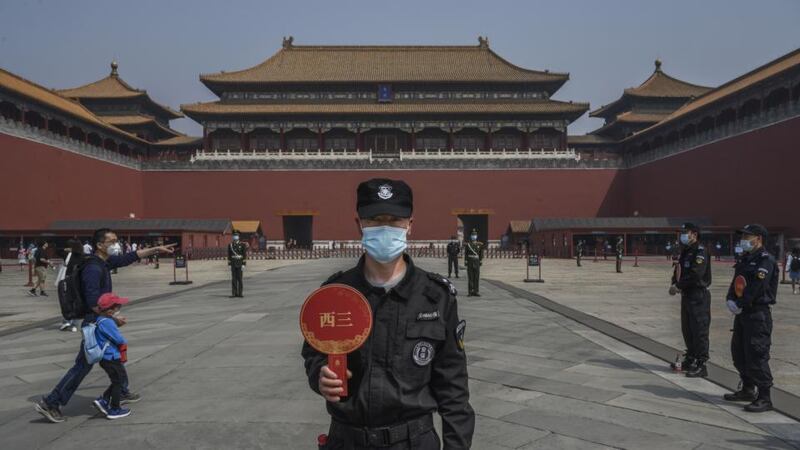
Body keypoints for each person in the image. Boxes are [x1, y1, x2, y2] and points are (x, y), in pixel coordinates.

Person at [301, 178, 474, 449]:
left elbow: (453, 387)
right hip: (348, 439)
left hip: (413, 440)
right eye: (375, 220)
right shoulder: (336, 293)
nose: (385, 228)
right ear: (359, 224)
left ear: (409, 225)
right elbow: (314, 351)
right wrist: (319, 375)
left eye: (394, 220)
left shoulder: (435, 297)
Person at [34, 228, 175, 423]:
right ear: (100, 245)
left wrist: (156, 249)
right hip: (96, 322)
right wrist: (113, 318)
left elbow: (128, 258)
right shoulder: (93, 268)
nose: (116, 244)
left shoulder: (102, 262)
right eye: (112, 241)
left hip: (100, 319)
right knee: (84, 366)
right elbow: (93, 301)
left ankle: (122, 390)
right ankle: (51, 402)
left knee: (108, 359)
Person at [723, 224, 778, 413]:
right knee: (739, 353)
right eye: (743, 236)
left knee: (756, 355)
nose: (744, 240)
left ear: (759, 239)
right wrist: (730, 299)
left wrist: (741, 304)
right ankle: (747, 389)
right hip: (743, 314)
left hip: (757, 314)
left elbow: (757, 287)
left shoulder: (766, 260)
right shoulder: (745, 259)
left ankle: (765, 397)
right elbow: (736, 282)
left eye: (747, 236)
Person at [668, 223, 712, 377]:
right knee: (687, 329)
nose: (683, 236)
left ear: (694, 234)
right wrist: (674, 282)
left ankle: (702, 364)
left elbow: (696, 274)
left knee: (699, 330)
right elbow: (678, 270)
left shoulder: (700, 251)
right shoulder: (686, 251)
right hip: (686, 296)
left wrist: (679, 286)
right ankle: (691, 358)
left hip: (698, 295)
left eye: (685, 233)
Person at [91, 293, 132, 420]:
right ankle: (114, 408)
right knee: (118, 382)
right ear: (110, 311)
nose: (118, 310)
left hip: (106, 358)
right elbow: (119, 339)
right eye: (117, 307)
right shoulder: (108, 322)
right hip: (111, 357)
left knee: (116, 381)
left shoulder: (99, 320)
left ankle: (103, 400)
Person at [58, 239, 84, 332]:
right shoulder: (76, 255)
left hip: (71, 280)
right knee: (71, 301)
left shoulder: (73, 255)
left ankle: (70, 322)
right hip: (73, 280)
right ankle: (70, 322)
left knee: (70, 301)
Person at [465, 229, 484, 297]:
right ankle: (470, 291)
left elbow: (481, 253)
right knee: (470, 277)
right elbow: (466, 254)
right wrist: (466, 261)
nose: (474, 236)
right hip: (470, 261)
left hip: (476, 261)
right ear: (471, 236)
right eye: (473, 235)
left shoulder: (480, 244)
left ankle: (476, 291)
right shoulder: (468, 245)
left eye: (475, 235)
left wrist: (481, 260)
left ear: (477, 236)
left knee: (476, 277)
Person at [228, 230, 247, 298]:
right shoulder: (230, 245)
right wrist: (229, 264)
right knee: (234, 279)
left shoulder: (242, 245)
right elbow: (229, 255)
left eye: (236, 235)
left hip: (239, 263)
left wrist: (243, 264)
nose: (235, 236)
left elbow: (244, 255)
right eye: (234, 235)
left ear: (239, 237)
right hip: (233, 263)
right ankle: (234, 293)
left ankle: (240, 293)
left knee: (239, 279)